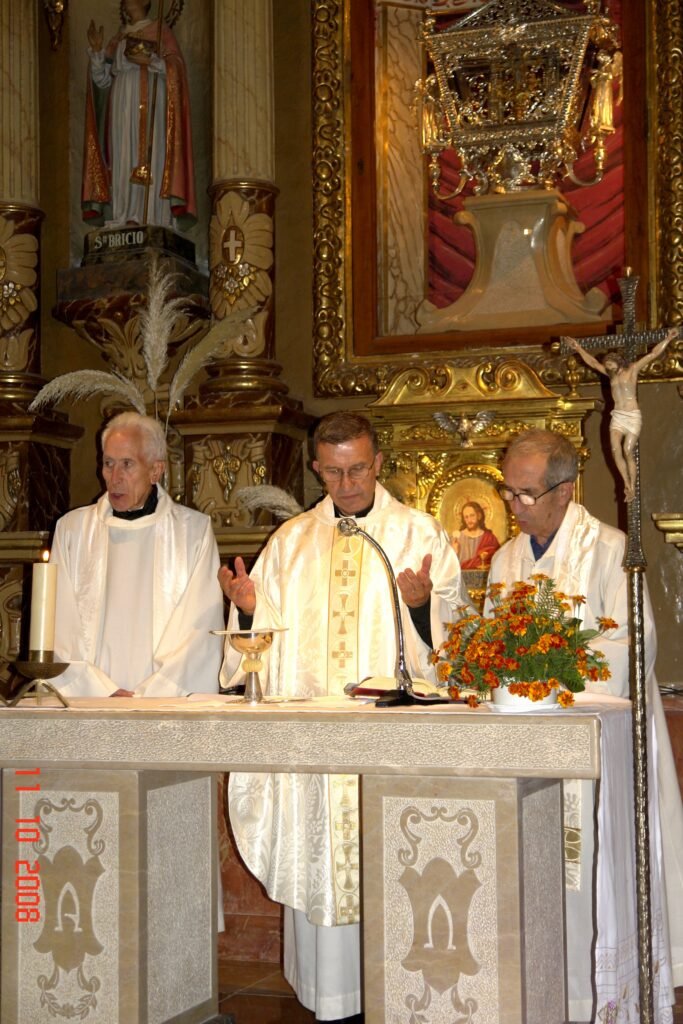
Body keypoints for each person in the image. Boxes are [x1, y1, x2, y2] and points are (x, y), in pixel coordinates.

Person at [219, 411, 469, 1022]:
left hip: (391, 748)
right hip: (315, 752)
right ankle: (331, 1002)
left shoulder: (418, 535)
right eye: (333, 471)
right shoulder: (292, 541)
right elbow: (254, 654)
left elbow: (456, 645)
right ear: (316, 468)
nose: (347, 483)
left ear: (379, 463)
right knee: (323, 874)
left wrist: (419, 607)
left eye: (357, 469)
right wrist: (251, 613)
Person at [487, 428, 683, 1022]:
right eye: (508, 493)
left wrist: (554, 678)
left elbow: (634, 642)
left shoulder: (612, 548)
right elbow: (498, 642)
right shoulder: (504, 558)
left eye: (525, 494)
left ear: (566, 490)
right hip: (530, 752)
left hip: (599, 747)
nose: (513, 507)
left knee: (594, 868)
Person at [50, 412, 224, 698]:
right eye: (108, 464)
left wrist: (150, 696)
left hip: (165, 708)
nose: (114, 478)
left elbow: (200, 632)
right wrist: (101, 691)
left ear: (156, 470)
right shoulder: (73, 531)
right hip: (88, 704)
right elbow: (59, 626)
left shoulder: (193, 532)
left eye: (127, 465)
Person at [82, 0, 196, 229]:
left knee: (151, 154)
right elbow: (102, 81)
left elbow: (177, 70)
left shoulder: (162, 31)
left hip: (153, 97)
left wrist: (153, 62)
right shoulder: (118, 38)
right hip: (123, 100)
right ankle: (124, 214)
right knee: (124, 153)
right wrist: (96, 55)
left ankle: (153, 216)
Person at [564, 329, 677, 501]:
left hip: (632, 415)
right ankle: (626, 484)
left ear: (617, 362)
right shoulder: (611, 376)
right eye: (607, 365)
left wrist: (668, 339)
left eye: (610, 364)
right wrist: (578, 348)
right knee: (616, 449)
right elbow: (593, 363)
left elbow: (652, 354)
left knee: (627, 450)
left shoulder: (632, 370)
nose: (608, 367)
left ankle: (633, 483)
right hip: (617, 416)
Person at [451, 500, 500, 569]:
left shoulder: (489, 538)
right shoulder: (457, 539)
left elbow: (498, 561)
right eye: (466, 517)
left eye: (472, 515)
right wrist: (453, 553)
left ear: (479, 516)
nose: (469, 520)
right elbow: (449, 565)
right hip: (461, 578)